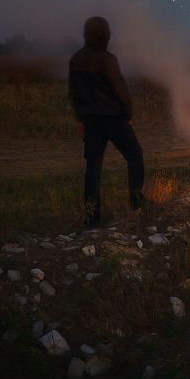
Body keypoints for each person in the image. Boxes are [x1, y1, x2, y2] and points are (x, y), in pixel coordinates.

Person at [68, 16, 146, 227]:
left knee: (93, 168)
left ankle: (91, 217)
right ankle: (137, 202)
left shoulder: (76, 59)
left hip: (91, 121)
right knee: (135, 155)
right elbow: (120, 88)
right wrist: (128, 115)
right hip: (113, 118)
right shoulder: (107, 59)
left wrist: (80, 119)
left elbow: (74, 93)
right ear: (105, 35)